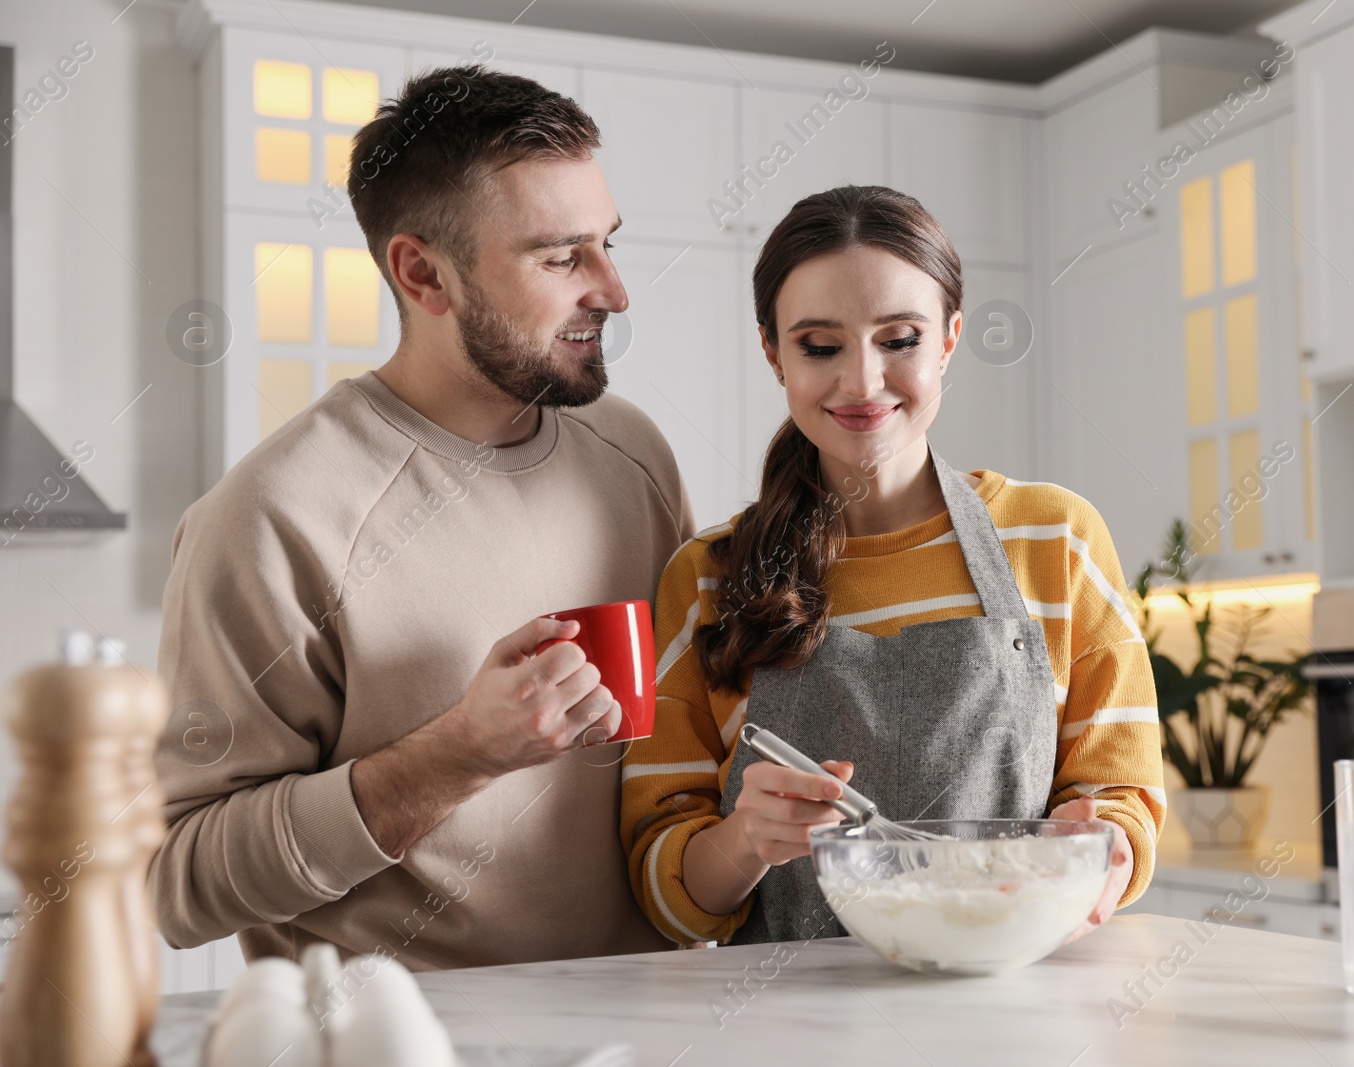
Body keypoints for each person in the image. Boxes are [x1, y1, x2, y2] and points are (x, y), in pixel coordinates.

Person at [150, 66, 693, 969]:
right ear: (422, 273)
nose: (615, 290)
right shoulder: (268, 517)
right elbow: (180, 884)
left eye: (608, 244)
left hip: (648, 1017)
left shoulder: (632, 453)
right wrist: (460, 754)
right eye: (562, 257)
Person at [621, 185, 1165, 946]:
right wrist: (744, 839)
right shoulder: (709, 577)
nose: (864, 382)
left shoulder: (1056, 540)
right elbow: (666, 890)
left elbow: (1121, 803)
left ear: (948, 340)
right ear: (774, 353)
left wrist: (1098, 842)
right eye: (820, 346)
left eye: (899, 339)